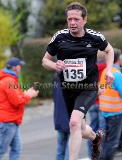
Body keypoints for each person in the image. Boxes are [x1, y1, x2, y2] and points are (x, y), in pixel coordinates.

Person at [42, 2, 115, 160]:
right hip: (68, 88)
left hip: (88, 87)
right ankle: (96, 138)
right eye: (70, 19)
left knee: (74, 123)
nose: (72, 23)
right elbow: (45, 60)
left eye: (76, 19)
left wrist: (109, 69)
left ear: (84, 20)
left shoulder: (95, 37)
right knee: (80, 128)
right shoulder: (59, 37)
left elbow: (109, 50)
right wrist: (55, 65)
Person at [0, 57, 39, 160]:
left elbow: (16, 97)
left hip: (11, 121)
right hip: (8, 122)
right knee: (1, 150)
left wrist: (26, 94)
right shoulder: (9, 81)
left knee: (16, 148)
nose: (20, 68)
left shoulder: (9, 79)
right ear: (15, 68)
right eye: (19, 66)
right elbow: (17, 101)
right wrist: (29, 95)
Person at [87, 59, 106, 158]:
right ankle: (100, 156)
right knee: (101, 131)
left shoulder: (89, 69)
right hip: (103, 102)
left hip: (92, 102)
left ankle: (92, 154)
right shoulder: (107, 69)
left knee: (91, 130)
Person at [53, 73, 70, 160]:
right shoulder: (73, 80)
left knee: (60, 148)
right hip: (70, 118)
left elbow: (54, 98)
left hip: (59, 118)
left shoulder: (56, 78)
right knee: (70, 149)